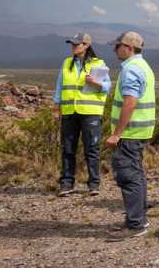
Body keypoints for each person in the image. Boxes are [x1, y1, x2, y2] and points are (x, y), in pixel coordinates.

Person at [104, 31, 155, 239]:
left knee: (128, 176)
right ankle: (139, 217)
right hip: (140, 130)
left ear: (129, 48)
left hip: (130, 132)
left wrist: (117, 134)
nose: (115, 49)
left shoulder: (131, 69)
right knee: (136, 174)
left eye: (118, 46)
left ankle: (135, 224)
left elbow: (130, 102)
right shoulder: (143, 66)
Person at [53, 33, 110, 197]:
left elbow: (107, 86)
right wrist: (56, 108)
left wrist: (95, 83)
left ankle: (93, 184)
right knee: (68, 149)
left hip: (90, 113)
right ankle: (66, 184)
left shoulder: (98, 64)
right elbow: (59, 87)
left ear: (86, 45)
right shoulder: (66, 63)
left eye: (76, 44)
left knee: (91, 149)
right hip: (69, 112)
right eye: (72, 43)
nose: (73, 46)